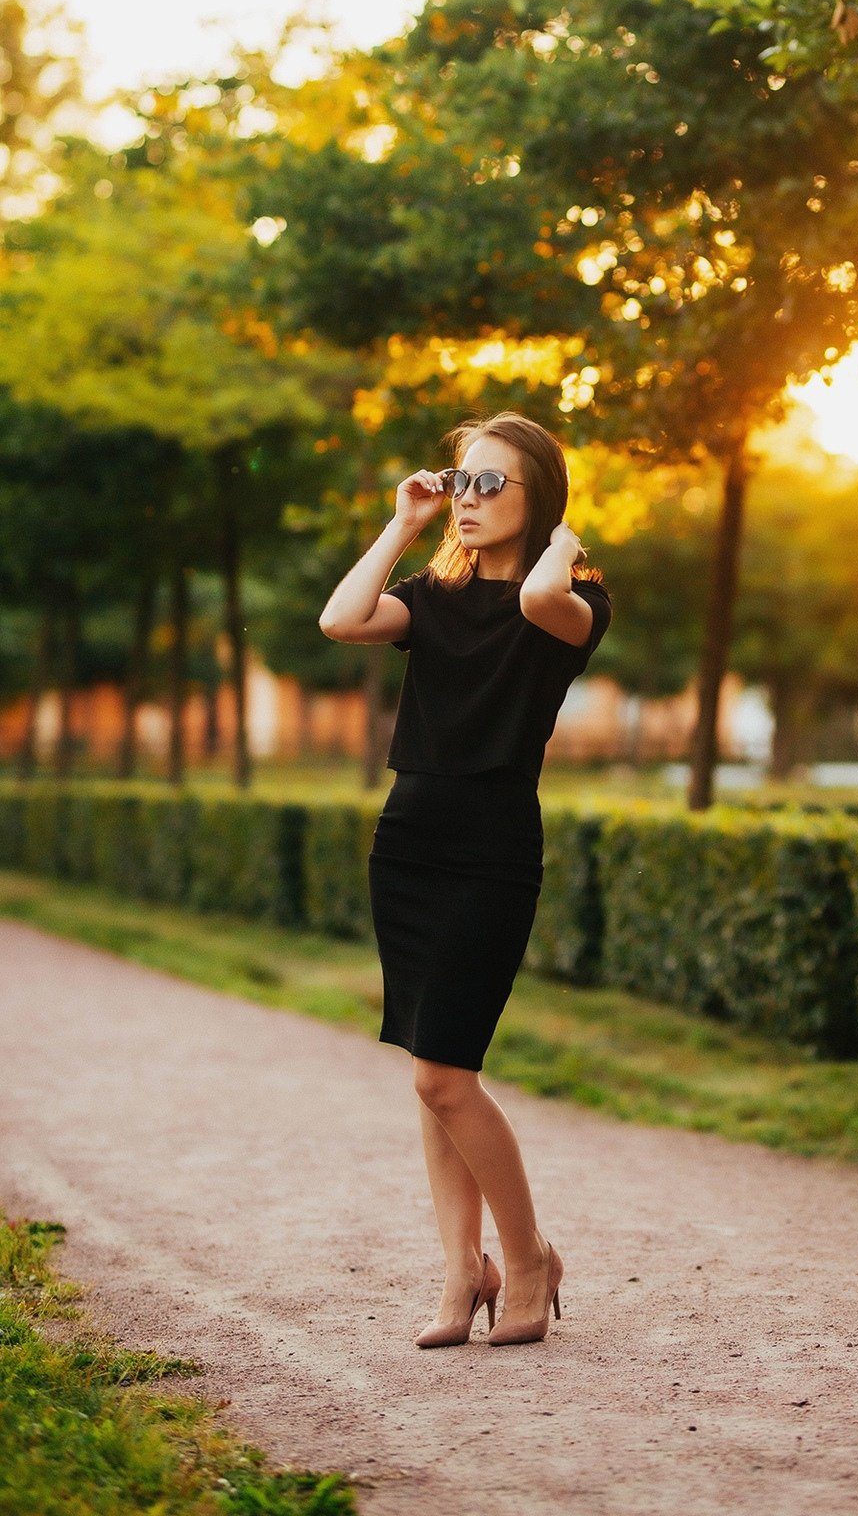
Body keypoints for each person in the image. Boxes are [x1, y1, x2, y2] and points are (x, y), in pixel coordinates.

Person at [319, 411, 610, 1348]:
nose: (468, 499)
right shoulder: (432, 597)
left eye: (491, 483)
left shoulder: (575, 600)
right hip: (407, 843)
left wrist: (561, 544)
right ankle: (461, 1271)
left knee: (445, 1075)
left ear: (539, 498)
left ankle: (527, 1259)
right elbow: (341, 619)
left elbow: (538, 599)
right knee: (433, 1073)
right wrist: (406, 520)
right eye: (461, 481)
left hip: (492, 850)